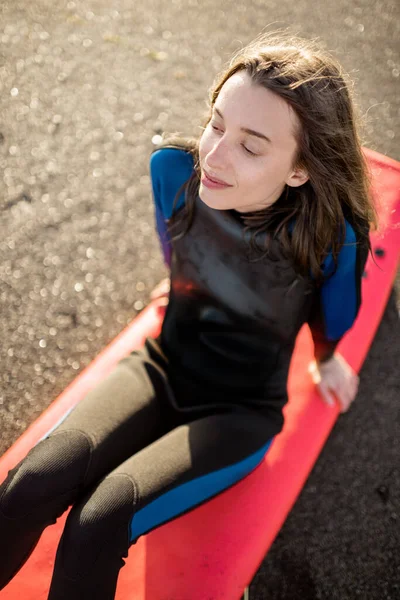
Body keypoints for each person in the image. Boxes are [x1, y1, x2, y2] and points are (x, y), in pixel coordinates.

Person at [0, 30, 377, 599]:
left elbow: (337, 316)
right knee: (33, 483)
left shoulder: (334, 240)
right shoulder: (173, 172)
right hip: (159, 367)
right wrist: (180, 282)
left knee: (98, 523)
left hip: (239, 412)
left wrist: (327, 360)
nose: (215, 155)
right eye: (217, 123)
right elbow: (173, 244)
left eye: (252, 146)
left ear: (300, 170)